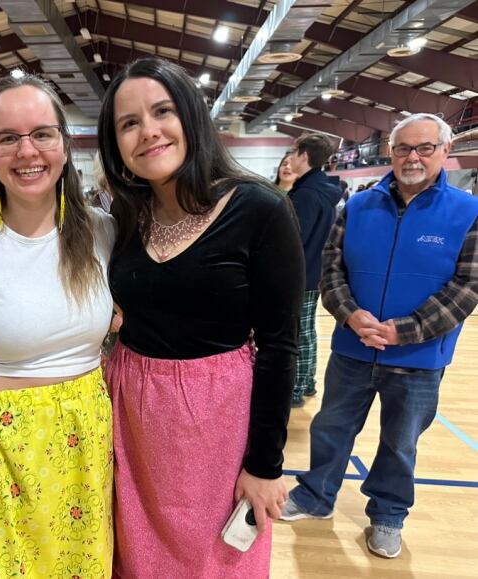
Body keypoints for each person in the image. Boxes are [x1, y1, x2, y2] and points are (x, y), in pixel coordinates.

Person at [97, 57, 304, 578]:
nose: (148, 132)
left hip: (219, 418)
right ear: (116, 144)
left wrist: (265, 465)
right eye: (129, 123)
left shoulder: (260, 208)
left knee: (217, 559)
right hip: (132, 412)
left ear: (190, 116)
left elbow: (281, 346)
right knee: (136, 553)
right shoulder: (125, 216)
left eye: (161, 111)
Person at [0, 72, 115, 578]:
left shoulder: (103, 232)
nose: (26, 151)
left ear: (64, 143)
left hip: (85, 440)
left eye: (41, 134)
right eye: (7, 138)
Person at [281, 113, 478, 559]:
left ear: (445, 152)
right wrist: (350, 316)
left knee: (400, 442)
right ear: (390, 152)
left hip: (419, 358)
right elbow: (331, 269)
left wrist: (402, 331)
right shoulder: (357, 206)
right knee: (331, 426)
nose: (413, 157)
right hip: (353, 347)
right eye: (403, 148)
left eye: (425, 148)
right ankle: (315, 495)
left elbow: (467, 287)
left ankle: (388, 515)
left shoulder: (469, 213)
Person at [286, 134, 342, 407]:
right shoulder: (319, 189)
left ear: (304, 155)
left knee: (299, 332)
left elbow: (293, 238)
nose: (290, 158)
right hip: (312, 269)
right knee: (306, 330)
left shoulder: (307, 195)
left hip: (303, 272)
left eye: (293, 153)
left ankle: (297, 387)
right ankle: (307, 382)